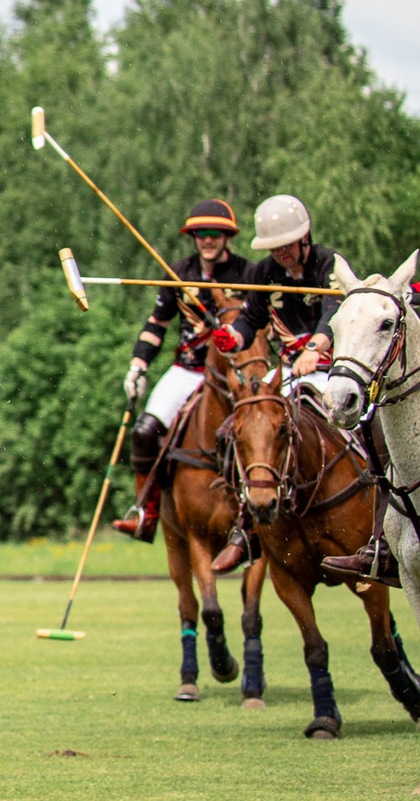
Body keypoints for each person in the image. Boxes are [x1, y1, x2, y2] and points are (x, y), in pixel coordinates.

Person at [211, 194, 367, 574]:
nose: (280, 253)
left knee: (371, 429)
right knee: (235, 429)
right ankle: (246, 528)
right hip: (288, 373)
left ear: (304, 238)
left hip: (335, 369)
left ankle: (383, 522)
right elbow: (252, 317)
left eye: (286, 245)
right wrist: (235, 335)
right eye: (274, 247)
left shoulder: (329, 264)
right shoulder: (262, 272)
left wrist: (315, 348)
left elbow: (335, 313)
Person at [111, 198, 250, 544]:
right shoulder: (178, 273)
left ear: (227, 237)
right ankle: (146, 512)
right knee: (144, 431)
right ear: (192, 237)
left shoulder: (248, 274)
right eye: (201, 233)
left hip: (237, 370)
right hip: (189, 369)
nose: (208, 239)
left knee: (270, 427)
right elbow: (157, 323)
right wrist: (138, 366)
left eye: (215, 233)